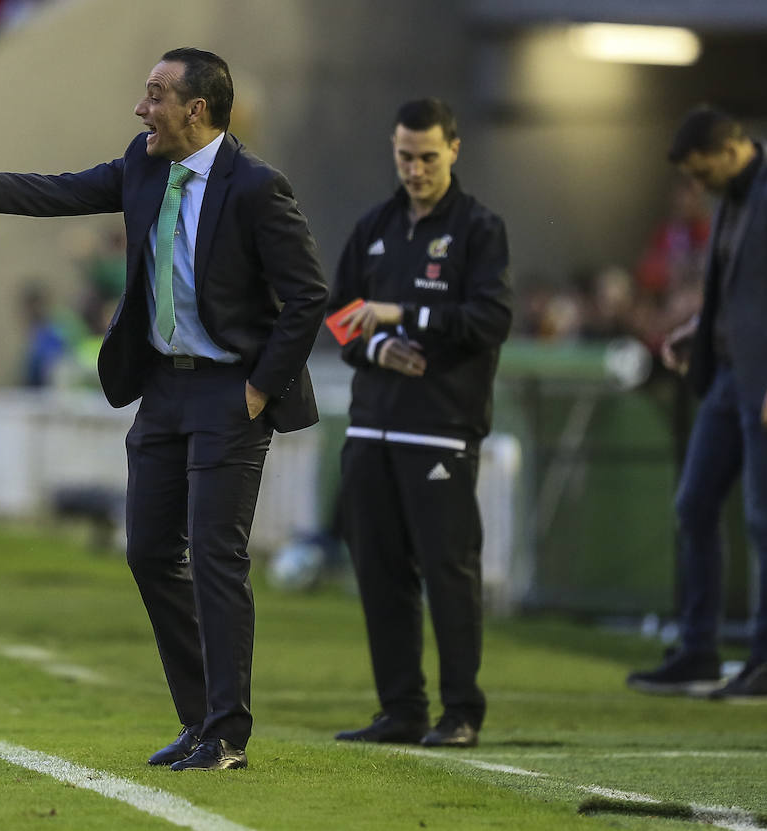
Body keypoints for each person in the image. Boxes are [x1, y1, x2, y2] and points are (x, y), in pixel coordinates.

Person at [0, 47, 327, 770]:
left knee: (217, 557)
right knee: (151, 551)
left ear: (196, 110)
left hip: (230, 390)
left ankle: (228, 732)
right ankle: (199, 722)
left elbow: (308, 295)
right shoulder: (144, 161)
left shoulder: (255, 188)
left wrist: (258, 388)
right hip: (162, 388)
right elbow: (66, 190)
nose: (139, 108)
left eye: (155, 95)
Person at [627, 106, 767, 699]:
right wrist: (697, 328)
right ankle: (699, 651)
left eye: (702, 173)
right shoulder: (738, 195)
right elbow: (744, 288)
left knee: (764, 520)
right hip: (730, 374)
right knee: (695, 504)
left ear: (729, 151)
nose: (698, 187)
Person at [329, 99, 512, 748]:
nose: (415, 169)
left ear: (454, 150)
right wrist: (377, 344)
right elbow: (341, 314)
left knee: (448, 572)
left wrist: (401, 315)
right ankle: (400, 708)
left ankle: (461, 710)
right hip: (370, 428)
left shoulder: (479, 230)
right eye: (405, 156)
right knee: (379, 572)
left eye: (428, 156)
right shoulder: (375, 225)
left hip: (440, 429)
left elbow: (490, 320)